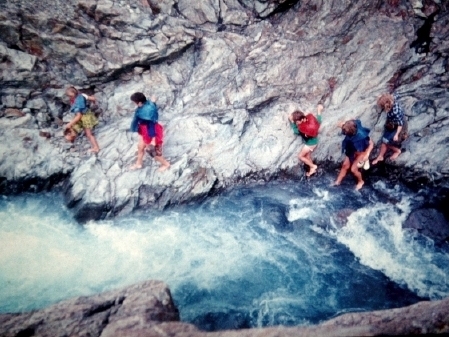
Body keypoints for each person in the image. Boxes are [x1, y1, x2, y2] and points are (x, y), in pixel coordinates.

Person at [129, 92, 170, 171]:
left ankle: (166, 164)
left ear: (140, 103)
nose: (134, 104)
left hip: (150, 132)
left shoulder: (145, 113)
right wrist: (153, 101)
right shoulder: (149, 104)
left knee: (152, 151)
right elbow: (153, 104)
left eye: (134, 103)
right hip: (143, 130)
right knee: (140, 147)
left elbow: (151, 124)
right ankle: (138, 164)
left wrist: (153, 140)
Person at [334, 119, 374, 191]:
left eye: (345, 131)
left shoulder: (361, 137)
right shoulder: (353, 124)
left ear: (351, 131)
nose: (344, 132)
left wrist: (367, 154)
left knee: (353, 169)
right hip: (351, 150)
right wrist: (342, 125)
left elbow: (371, 144)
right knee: (345, 165)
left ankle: (361, 181)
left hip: (361, 153)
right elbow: (351, 122)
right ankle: (337, 182)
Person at [288, 104, 324, 177]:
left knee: (300, 156)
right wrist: (319, 111)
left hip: (310, 144)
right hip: (314, 141)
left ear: (301, 119)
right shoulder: (309, 119)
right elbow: (318, 121)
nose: (296, 123)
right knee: (307, 156)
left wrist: (291, 122)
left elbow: (296, 131)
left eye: (297, 122)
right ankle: (312, 170)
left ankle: (313, 166)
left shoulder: (302, 128)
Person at [373, 93, 407, 164]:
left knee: (387, 141)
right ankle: (380, 156)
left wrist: (396, 134)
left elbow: (400, 123)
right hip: (392, 123)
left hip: (399, 126)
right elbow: (397, 94)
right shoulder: (392, 99)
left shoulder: (395, 112)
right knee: (384, 139)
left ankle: (397, 151)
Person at [64, 87, 100, 153]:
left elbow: (79, 116)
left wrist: (70, 123)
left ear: (73, 95)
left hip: (85, 117)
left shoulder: (78, 103)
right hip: (86, 114)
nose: (69, 97)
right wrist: (94, 101)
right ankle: (72, 136)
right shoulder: (82, 95)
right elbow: (92, 98)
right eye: (69, 96)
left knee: (89, 135)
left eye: (70, 96)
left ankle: (96, 148)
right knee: (74, 127)